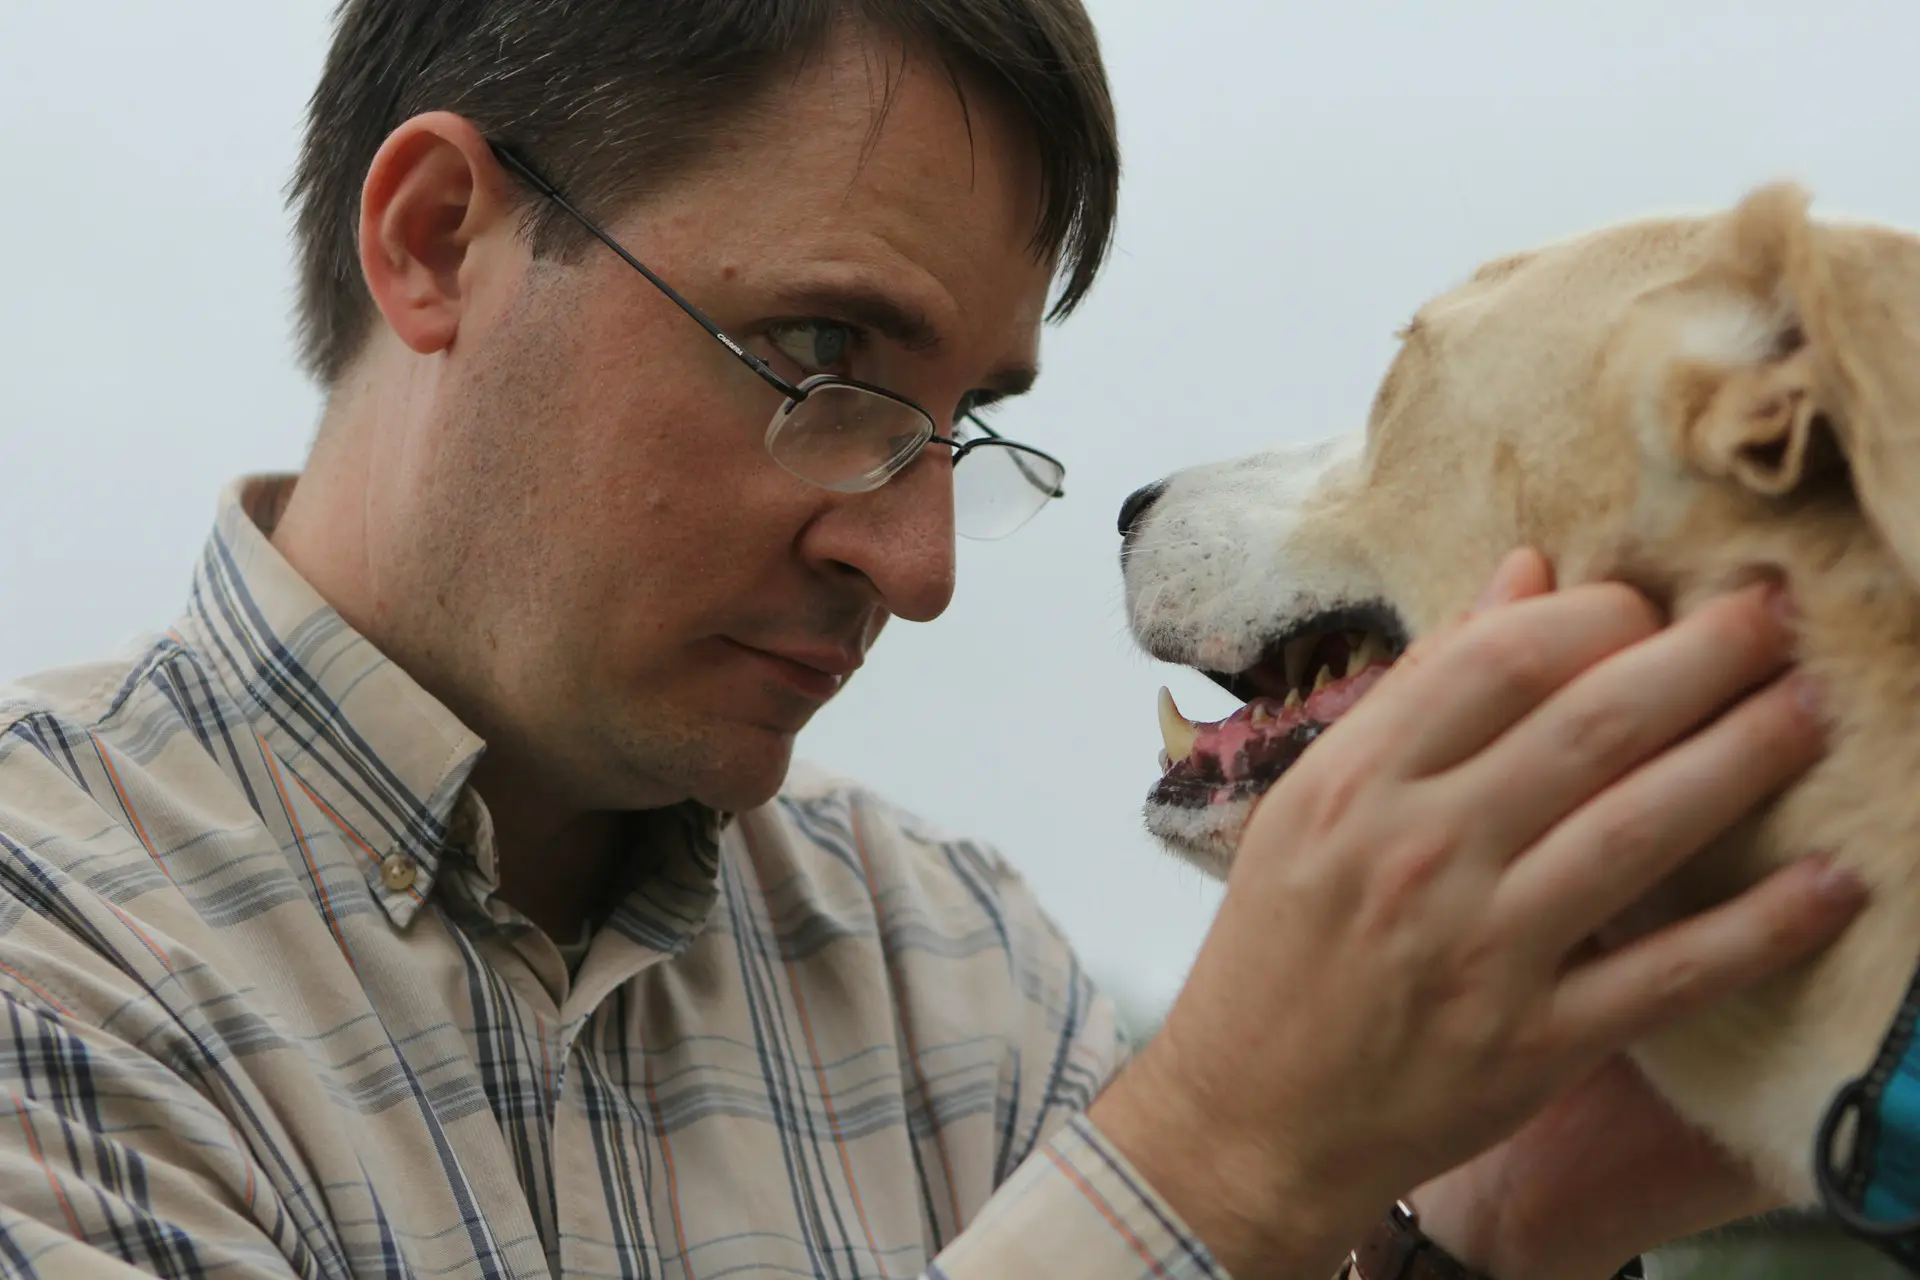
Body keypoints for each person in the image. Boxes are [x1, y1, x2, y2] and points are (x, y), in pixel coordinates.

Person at [0, 2, 1863, 1277]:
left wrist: (1464, 1238)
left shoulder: (959, 973)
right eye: (821, 356)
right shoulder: (52, 961)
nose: (917, 563)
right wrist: (1215, 1167)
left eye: (965, 422)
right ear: (433, 240)